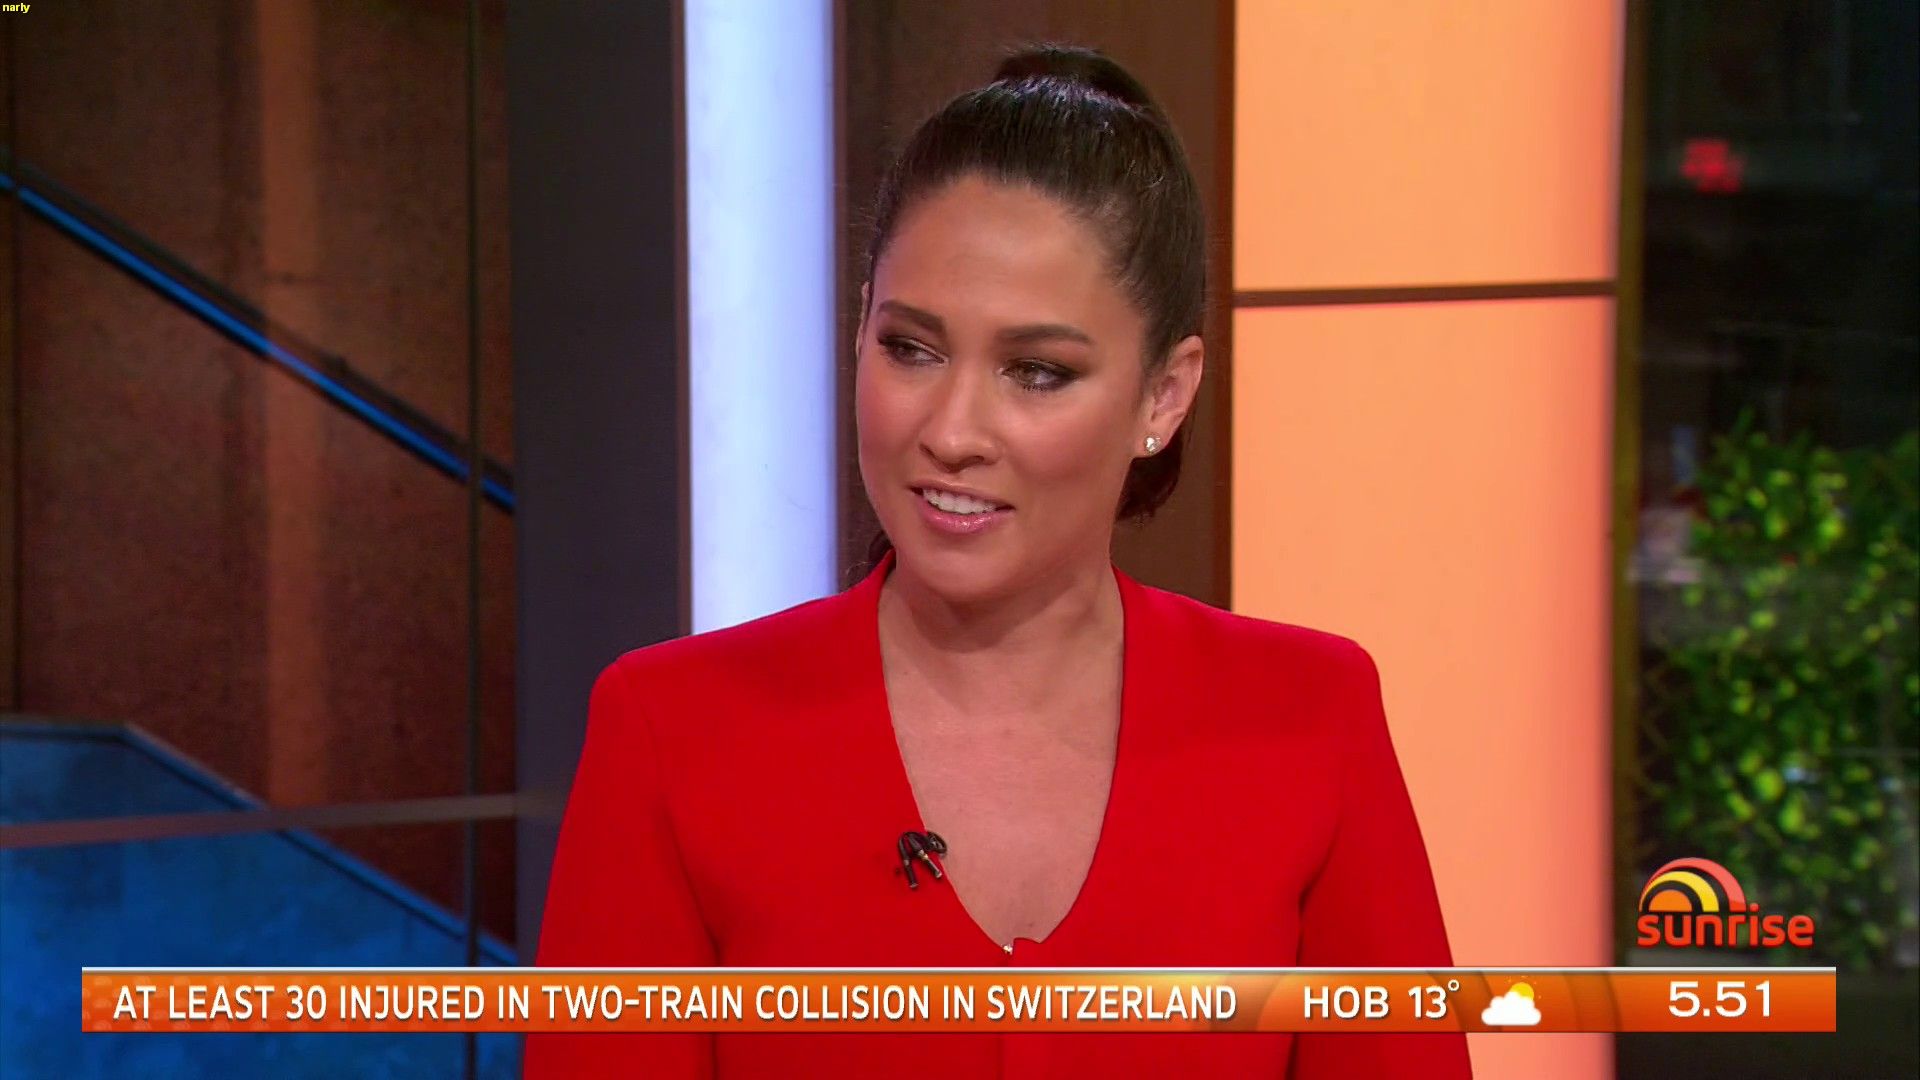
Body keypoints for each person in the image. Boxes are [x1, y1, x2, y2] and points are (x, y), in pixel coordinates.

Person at [526, 43, 1470, 1079]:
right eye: (911, 349)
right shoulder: (673, 733)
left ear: (1163, 395)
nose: (951, 430)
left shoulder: (1309, 720)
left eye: (1036, 371)